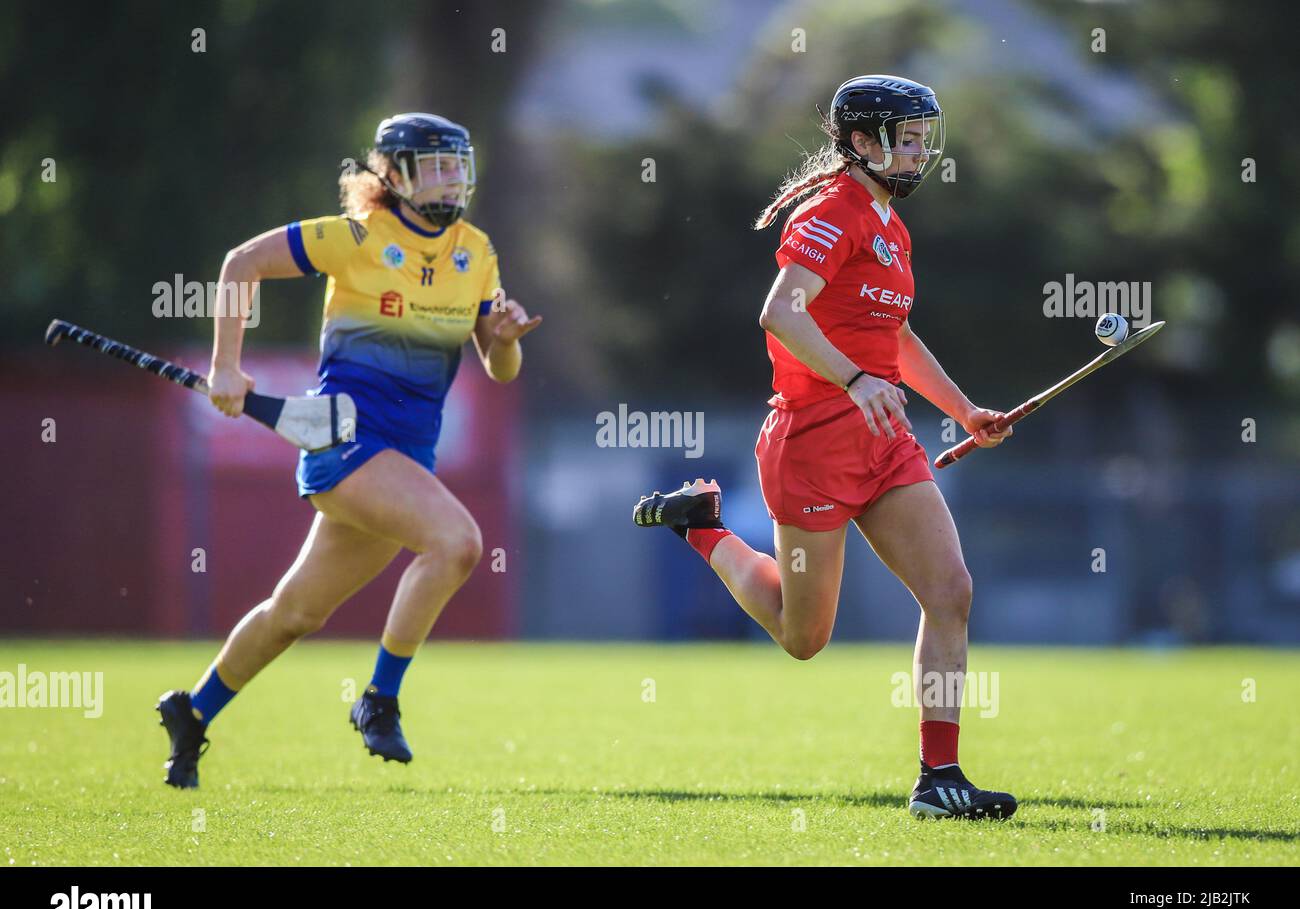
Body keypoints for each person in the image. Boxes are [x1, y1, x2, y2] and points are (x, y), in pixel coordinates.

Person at [634, 76, 1016, 819]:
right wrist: (852, 380)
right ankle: (701, 527)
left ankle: (939, 777)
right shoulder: (831, 212)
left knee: (951, 592)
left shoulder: (890, 225)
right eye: (907, 138)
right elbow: (780, 312)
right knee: (802, 635)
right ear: (863, 143)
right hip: (811, 445)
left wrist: (964, 411)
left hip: (885, 444)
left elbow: (894, 338)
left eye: (923, 137)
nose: (920, 151)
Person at [156, 113, 542, 788]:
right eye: (437, 164)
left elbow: (498, 367)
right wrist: (226, 366)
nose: (453, 177)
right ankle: (380, 700)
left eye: (458, 164)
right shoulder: (358, 237)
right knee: (457, 543)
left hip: (403, 458)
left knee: (296, 612)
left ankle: (195, 711)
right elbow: (241, 263)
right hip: (344, 441)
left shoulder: (475, 251)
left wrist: (505, 338)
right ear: (394, 174)